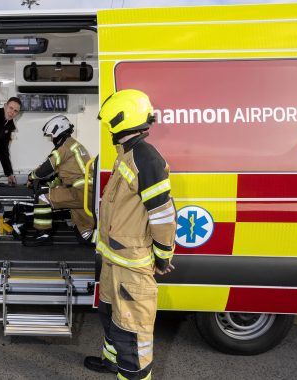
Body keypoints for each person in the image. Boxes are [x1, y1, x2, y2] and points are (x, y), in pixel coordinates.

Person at [83, 89, 176, 380]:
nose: (108, 127)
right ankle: (111, 363)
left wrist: (162, 257)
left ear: (121, 120)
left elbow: (162, 214)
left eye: (110, 121)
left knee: (131, 334)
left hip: (131, 266)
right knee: (111, 318)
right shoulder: (127, 155)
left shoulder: (146, 158)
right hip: (114, 261)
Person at [23, 114, 95, 246]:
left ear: (58, 131)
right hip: (86, 192)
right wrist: (50, 183)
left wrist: (31, 177)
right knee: (85, 235)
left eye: (52, 136)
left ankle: (42, 234)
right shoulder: (73, 145)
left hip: (78, 192)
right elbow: (64, 174)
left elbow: (47, 167)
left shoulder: (65, 147)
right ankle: (104, 241)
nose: (51, 139)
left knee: (43, 197)